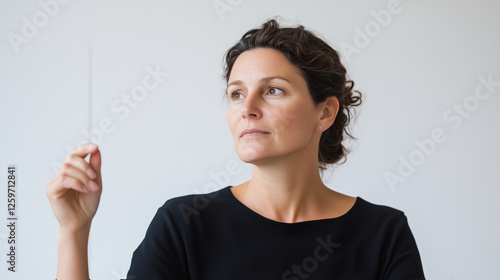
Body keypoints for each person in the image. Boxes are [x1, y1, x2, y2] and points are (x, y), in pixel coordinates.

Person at [46, 18, 426, 280]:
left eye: (273, 90)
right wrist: (73, 232)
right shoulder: (184, 224)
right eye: (236, 94)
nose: (248, 108)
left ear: (324, 112)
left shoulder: (384, 234)